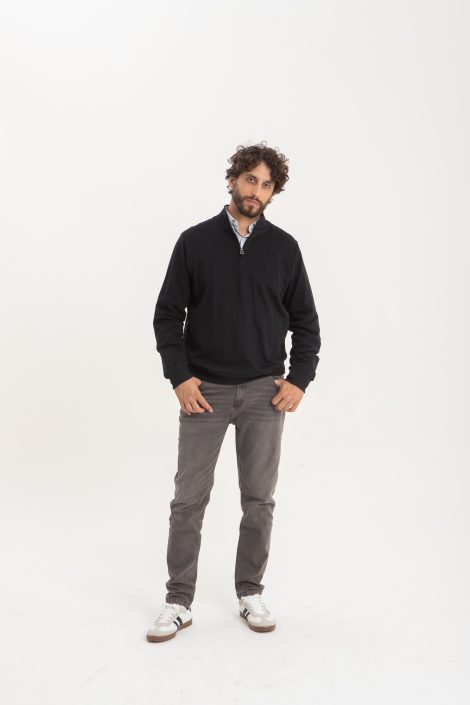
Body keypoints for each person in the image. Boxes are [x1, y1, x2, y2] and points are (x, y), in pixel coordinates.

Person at [147, 141, 321, 642]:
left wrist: (299, 378)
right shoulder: (194, 242)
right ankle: (178, 600)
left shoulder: (284, 248)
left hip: (266, 393)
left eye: (267, 185)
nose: (256, 191)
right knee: (188, 501)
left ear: (272, 192)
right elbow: (167, 315)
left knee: (259, 500)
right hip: (205, 391)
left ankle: (250, 591)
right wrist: (180, 376)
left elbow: (306, 322)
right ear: (233, 180)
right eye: (250, 180)